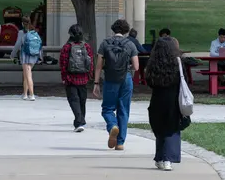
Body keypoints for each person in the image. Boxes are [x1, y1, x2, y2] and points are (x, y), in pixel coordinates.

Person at [93, 19, 139, 151]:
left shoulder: (105, 43)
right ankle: (120, 143)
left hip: (110, 79)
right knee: (123, 110)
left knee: (107, 109)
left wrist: (96, 83)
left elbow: (98, 66)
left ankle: (113, 125)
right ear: (125, 31)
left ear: (113, 29)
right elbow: (136, 66)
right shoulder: (130, 44)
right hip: (126, 78)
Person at [145, 37, 185, 171]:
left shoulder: (152, 64)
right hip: (173, 100)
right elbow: (183, 80)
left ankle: (160, 158)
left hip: (156, 100)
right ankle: (168, 159)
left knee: (160, 130)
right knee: (171, 130)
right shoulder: (177, 62)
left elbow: (149, 81)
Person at [59, 24, 94, 132]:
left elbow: (63, 64)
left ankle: (79, 122)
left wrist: (64, 77)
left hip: (71, 78)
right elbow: (90, 62)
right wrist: (90, 75)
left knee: (74, 100)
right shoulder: (86, 46)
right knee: (82, 100)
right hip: (83, 78)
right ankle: (81, 121)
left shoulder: (67, 47)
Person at [11, 16, 43, 100]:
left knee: (28, 75)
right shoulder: (34, 32)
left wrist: (12, 55)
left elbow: (17, 45)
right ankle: (25, 94)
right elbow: (39, 44)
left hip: (25, 56)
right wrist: (40, 57)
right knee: (26, 74)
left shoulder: (21, 32)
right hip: (34, 56)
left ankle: (31, 94)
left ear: (22, 23)